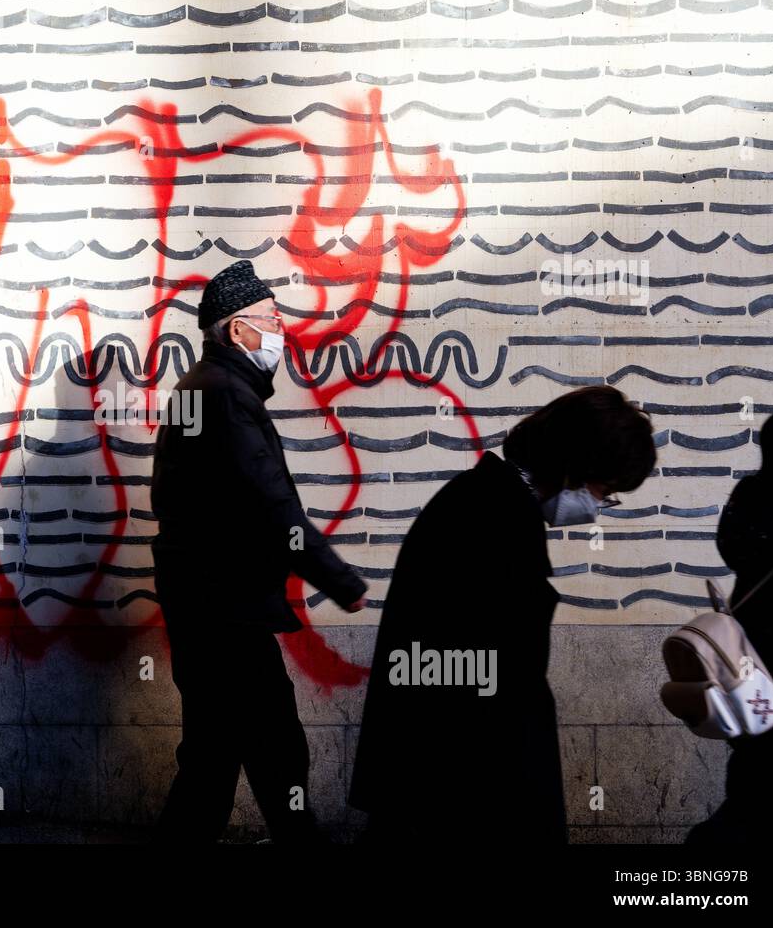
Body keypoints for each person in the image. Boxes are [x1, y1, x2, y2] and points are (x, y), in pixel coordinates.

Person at [347, 386, 656, 844]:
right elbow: (484, 668)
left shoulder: (487, 499)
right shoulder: (497, 516)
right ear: (574, 467)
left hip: (437, 769)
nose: (598, 506)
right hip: (455, 772)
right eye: (604, 490)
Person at [150, 259, 369, 843]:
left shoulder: (205, 388)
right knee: (268, 744)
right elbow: (270, 501)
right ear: (237, 329)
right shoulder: (222, 395)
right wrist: (338, 577)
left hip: (209, 603)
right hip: (226, 608)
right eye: (271, 318)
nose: (281, 329)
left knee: (214, 755)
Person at [686, 406, 773, 844]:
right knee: (755, 811)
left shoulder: (750, 496)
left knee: (755, 799)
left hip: (754, 677)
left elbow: (733, 551)